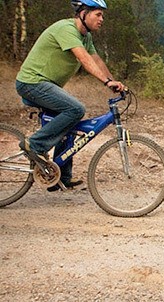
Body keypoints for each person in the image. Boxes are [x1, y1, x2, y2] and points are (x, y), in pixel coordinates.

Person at [15, 0, 126, 191]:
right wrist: (107, 82)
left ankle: (61, 177)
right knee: (75, 109)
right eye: (98, 14)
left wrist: (112, 82)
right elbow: (83, 58)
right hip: (32, 82)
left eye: (103, 15)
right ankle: (34, 145)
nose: (102, 19)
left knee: (69, 124)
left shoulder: (86, 37)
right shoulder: (66, 29)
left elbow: (96, 59)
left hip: (46, 85)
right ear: (83, 13)